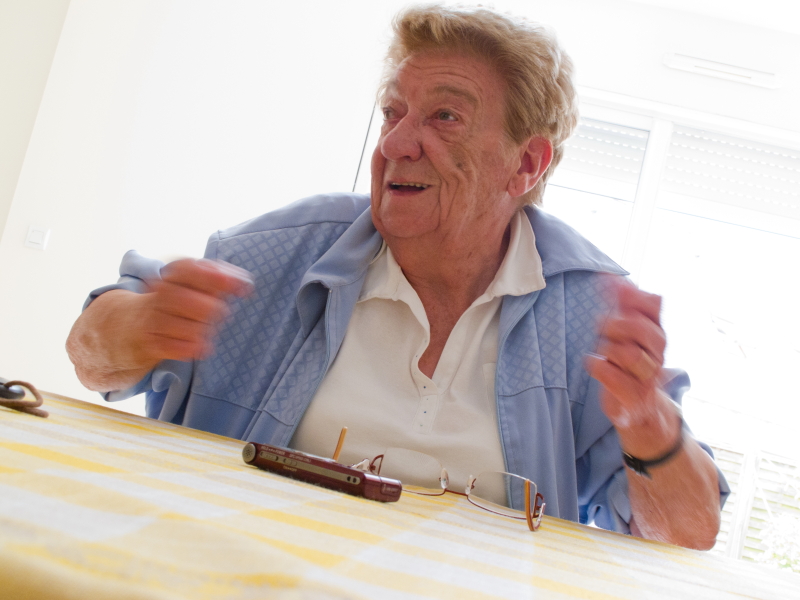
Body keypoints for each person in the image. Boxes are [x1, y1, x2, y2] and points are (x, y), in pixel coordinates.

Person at [66, 5, 727, 548]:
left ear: (526, 164)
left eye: (444, 117)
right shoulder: (275, 254)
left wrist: (649, 423)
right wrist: (138, 328)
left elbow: (689, 533)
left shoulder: (589, 313)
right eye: (393, 112)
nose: (395, 144)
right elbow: (89, 353)